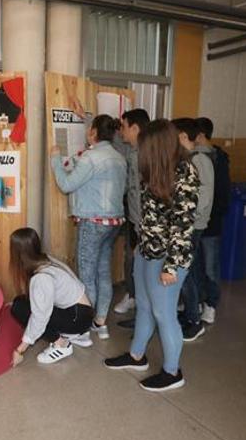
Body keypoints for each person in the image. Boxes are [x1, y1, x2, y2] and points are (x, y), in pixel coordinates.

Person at [104, 119, 199, 392]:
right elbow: (151, 216)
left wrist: (171, 267)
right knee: (144, 305)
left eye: (144, 145)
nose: (139, 150)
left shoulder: (185, 173)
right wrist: (141, 245)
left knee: (164, 313)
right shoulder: (156, 169)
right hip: (147, 251)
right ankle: (136, 356)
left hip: (169, 258)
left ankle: (172, 372)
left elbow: (183, 226)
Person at [50, 114, 128, 341]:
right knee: (103, 272)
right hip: (113, 223)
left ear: (93, 132)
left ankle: (82, 328)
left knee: (86, 275)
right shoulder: (119, 157)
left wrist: (55, 159)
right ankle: (99, 322)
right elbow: (121, 191)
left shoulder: (91, 158)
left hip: (92, 223)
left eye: (89, 128)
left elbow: (66, 185)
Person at [8, 228, 95, 365]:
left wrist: (19, 350)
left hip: (77, 318)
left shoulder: (41, 278)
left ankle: (62, 345)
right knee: (21, 301)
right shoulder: (45, 259)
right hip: (83, 313)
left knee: (19, 308)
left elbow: (40, 318)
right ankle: (79, 335)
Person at [172, 118, 214, 341]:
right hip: (188, 225)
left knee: (183, 273)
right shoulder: (189, 159)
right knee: (186, 271)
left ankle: (194, 321)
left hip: (192, 226)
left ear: (182, 136)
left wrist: (186, 218)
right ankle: (190, 314)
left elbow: (203, 196)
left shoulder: (199, 161)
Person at [112, 109, 151, 318]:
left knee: (142, 266)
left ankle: (143, 307)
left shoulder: (151, 154)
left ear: (135, 128)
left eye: (124, 127)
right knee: (131, 261)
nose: (121, 131)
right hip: (135, 220)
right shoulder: (132, 151)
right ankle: (133, 296)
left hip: (148, 224)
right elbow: (116, 145)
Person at [194, 117, 230, 325]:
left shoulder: (218, 159)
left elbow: (222, 194)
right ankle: (197, 301)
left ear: (199, 136)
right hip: (196, 223)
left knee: (210, 267)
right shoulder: (194, 157)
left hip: (211, 224)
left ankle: (211, 304)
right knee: (195, 265)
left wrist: (210, 217)